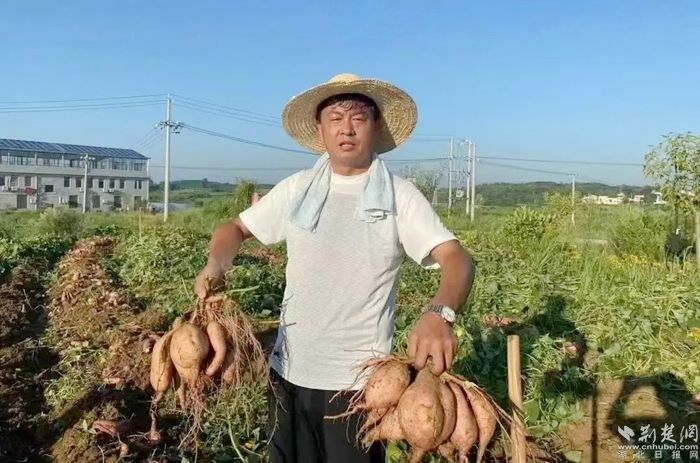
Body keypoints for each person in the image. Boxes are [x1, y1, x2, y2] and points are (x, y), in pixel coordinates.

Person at [194, 73, 474, 463]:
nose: (347, 129)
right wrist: (216, 264)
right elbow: (235, 229)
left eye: (358, 118)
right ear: (320, 129)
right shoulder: (298, 189)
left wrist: (440, 312)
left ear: (375, 127)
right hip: (288, 374)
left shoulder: (399, 196)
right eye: (335, 118)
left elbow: (457, 257)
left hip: (361, 387)